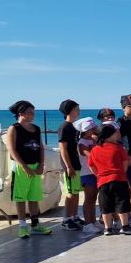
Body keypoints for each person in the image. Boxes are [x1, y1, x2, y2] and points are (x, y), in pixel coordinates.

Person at [5, 101, 52, 238]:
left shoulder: (36, 128)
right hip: (20, 167)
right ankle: (22, 226)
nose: (32, 115)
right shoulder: (14, 128)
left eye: (33, 113)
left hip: (35, 165)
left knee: (34, 197)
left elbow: (40, 146)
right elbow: (11, 149)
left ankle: (35, 224)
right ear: (21, 114)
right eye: (30, 113)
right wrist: (24, 166)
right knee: (20, 197)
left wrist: (41, 163)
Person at [87, 122, 131, 236]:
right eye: (114, 133)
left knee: (106, 205)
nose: (117, 134)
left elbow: (91, 165)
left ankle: (107, 228)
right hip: (119, 178)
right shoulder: (118, 147)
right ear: (107, 136)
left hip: (103, 181)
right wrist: (121, 172)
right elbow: (125, 163)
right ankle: (124, 226)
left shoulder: (95, 149)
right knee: (122, 203)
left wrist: (98, 175)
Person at [57, 99, 83, 231]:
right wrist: (68, 166)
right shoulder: (64, 127)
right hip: (70, 165)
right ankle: (66, 219)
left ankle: (74, 216)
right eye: (76, 108)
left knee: (76, 191)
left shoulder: (75, 126)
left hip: (77, 164)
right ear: (70, 110)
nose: (78, 110)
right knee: (71, 193)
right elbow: (63, 148)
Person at [77, 117, 102, 234]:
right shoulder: (82, 143)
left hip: (96, 172)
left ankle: (93, 220)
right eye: (91, 129)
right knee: (89, 198)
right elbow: (91, 155)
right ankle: (87, 223)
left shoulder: (93, 140)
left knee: (93, 198)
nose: (93, 131)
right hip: (87, 173)